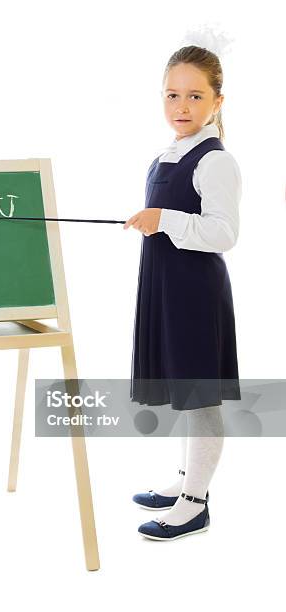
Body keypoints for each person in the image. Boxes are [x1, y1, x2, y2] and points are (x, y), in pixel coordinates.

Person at [123, 45, 242, 540]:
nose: (182, 106)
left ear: (217, 100)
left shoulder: (216, 160)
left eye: (195, 96)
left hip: (194, 292)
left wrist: (165, 219)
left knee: (201, 396)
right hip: (167, 285)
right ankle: (185, 482)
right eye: (173, 95)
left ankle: (196, 503)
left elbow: (224, 233)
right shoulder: (167, 154)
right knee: (184, 386)